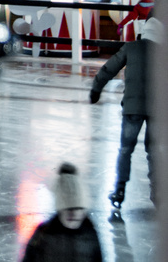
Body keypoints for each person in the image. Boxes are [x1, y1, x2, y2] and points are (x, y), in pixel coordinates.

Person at [91, 14, 157, 217]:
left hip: (132, 109)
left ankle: (119, 190)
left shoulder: (131, 47)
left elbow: (109, 68)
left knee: (126, 149)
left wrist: (96, 89)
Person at [20, 162, 102, 261]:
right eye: (68, 208)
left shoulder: (90, 235)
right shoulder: (43, 234)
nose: (73, 213)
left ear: (84, 210)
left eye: (78, 208)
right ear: (60, 209)